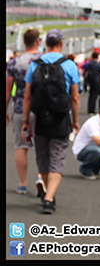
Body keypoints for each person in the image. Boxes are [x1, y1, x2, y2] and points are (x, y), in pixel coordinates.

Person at [22, 29, 81, 214]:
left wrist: (26, 121)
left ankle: (49, 193)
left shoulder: (35, 64)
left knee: (43, 158)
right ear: (61, 43)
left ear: (45, 43)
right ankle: (49, 198)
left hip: (40, 118)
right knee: (57, 157)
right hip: (61, 117)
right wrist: (75, 120)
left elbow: (27, 97)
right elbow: (75, 97)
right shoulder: (69, 65)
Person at [6, 29, 42, 195]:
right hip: (43, 108)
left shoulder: (15, 62)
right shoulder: (45, 60)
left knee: (21, 146)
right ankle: (42, 177)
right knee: (44, 146)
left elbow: (8, 89)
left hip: (21, 107)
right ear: (38, 41)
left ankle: (22, 183)